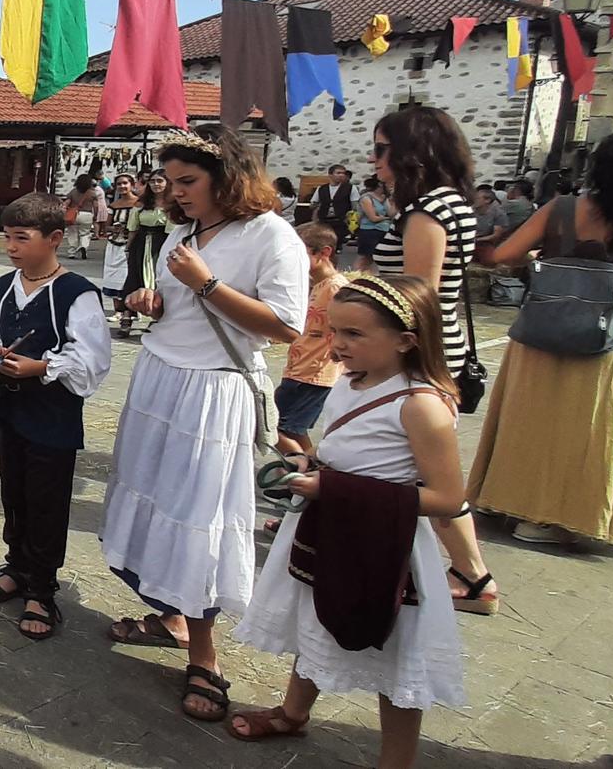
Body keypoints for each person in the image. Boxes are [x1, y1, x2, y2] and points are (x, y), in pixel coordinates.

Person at [99, 127, 307, 722]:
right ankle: (172, 615)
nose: (177, 193)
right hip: (160, 378)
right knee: (158, 503)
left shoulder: (272, 236)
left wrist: (207, 284)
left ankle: (207, 655)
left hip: (213, 391)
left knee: (199, 518)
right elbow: (179, 304)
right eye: (171, 182)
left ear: (227, 177)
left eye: (188, 181)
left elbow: (286, 326)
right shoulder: (182, 233)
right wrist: (154, 301)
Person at [229, 275, 468, 769]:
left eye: (355, 335)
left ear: (406, 340)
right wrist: (309, 468)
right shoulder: (352, 382)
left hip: (384, 548)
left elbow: (446, 497)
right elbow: (344, 455)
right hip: (330, 531)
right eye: (335, 331)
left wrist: (334, 488)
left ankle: (395, 761)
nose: (337, 345)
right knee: (316, 618)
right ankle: (294, 713)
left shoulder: (421, 405)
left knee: (396, 660)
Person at [467, 131, 613, 548]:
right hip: (611, 334)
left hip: (544, 325)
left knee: (527, 418)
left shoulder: (562, 207)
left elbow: (507, 255)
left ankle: (507, 500)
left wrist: (547, 258)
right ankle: (556, 517)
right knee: (590, 427)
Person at [0, 192, 113, 640]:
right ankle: (17, 566)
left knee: (47, 499)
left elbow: (92, 358)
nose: (11, 247)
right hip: (11, 407)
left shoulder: (75, 293)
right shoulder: (2, 287)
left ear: (55, 239)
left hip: (53, 414)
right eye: (7, 237)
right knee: (16, 490)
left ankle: (42, 589)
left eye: (21, 238)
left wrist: (43, 366)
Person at [366, 105, 497, 615]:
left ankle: (472, 572)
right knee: (425, 467)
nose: (375, 160)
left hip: (416, 355)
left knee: (425, 469)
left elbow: (416, 294)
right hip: (432, 351)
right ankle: (469, 570)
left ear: (410, 153)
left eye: (382, 149)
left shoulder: (428, 210)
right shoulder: (449, 203)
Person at [273, 223, 348, 459]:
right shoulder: (316, 285)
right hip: (299, 368)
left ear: (323, 253)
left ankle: (305, 471)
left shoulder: (336, 288)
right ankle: (304, 468)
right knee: (287, 428)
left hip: (316, 373)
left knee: (278, 428)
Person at [118, 171, 171, 337]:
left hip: (161, 243)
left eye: (160, 181)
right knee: (134, 277)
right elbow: (133, 228)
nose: (156, 184)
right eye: (153, 181)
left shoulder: (172, 205)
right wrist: (128, 248)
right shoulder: (141, 204)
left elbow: (172, 231)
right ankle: (126, 317)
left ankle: (156, 318)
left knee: (158, 279)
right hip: (140, 244)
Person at [101, 174, 137, 328]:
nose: (122, 187)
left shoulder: (138, 204)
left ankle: (130, 310)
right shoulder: (114, 205)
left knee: (127, 276)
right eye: (119, 184)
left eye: (125, 183)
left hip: (131, 244)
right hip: (114, 244)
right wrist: (113, 229)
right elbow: (105, 227)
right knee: (112, 274)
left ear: (132, 184)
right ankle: (118, 310)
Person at [305, 164, 354, 254]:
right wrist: (315, 207)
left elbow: (355, 205)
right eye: (338, 173)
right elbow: (313, 204)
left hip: (341, 219)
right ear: (330, 175)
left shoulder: (350, 188)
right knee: (324, 241)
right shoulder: (322, 188)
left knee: (336, 242)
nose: (341, 175)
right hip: (324, 219)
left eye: (343, 173)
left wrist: (351, 220)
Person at [355, 176, 395, 273]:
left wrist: (393, 199)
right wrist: (386, 218)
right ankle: (357, 275)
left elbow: (391, 213)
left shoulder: (385, 198)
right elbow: (373, 218)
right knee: (366, 258)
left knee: (378, 258)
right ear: (380, 184)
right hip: (370, 231)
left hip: (384, 230)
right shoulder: (366, 198)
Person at [64, 176, 104, 260]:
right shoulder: (92, 193)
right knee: (85, 233)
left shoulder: (73, 192)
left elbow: (66, 203)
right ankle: (84, 246)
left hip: (74, 214)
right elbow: (96, 206)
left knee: (72, 233)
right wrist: (95, 215)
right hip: (87, 214)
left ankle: (72, 251)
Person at [470, 185, 509, 265]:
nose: (474, 200)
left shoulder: (498, 213)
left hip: (483, 241)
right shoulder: (469, 210)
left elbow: (496, 235)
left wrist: (477, 240)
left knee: (490, 261)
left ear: (487, 200)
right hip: (467, 239)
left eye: (477, 198)